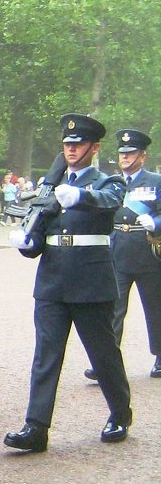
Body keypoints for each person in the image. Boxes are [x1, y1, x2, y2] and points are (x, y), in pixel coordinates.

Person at [5, 113, 132, 452]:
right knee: (46, 355)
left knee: (102, 352)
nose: (72, 149)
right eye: (67, 144)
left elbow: (112, 202)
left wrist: (81, 197)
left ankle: (120, 411)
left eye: (78, 144)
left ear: (94, 147)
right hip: (53, 279)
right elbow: (42, 231)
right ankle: (36, 426)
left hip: (90, 280)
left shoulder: (108, 182)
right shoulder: (51, 183)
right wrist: (28, 243)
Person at [95, 129, 161, 379]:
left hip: (148, 253)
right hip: (117, 253)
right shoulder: (111, 183)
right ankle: (107, 361)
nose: (125, 157)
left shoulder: (156, 182)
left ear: (142, 156)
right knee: (112, 309)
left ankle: (160, 356)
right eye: (122, 153)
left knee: (155, 308)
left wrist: (155, 221)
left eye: (130, 153)